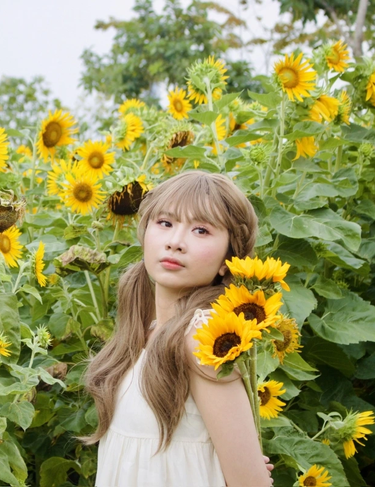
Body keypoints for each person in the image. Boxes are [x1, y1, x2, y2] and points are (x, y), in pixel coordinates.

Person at [77, 171, 274, 486]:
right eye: (165, 223)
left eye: (200, 230)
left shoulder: (203, 338)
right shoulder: (146, 329)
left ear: (229, 259)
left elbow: (251, 483)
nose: (175, 242)